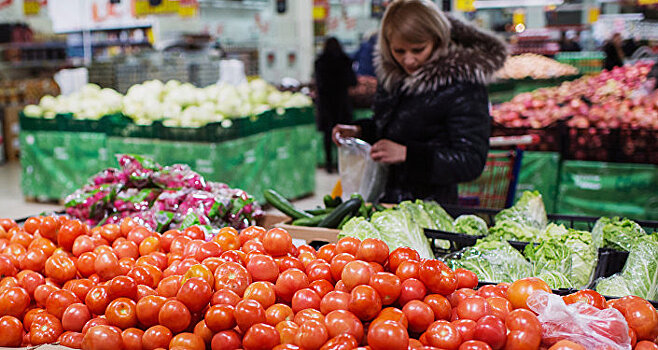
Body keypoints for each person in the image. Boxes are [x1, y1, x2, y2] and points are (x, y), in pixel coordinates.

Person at [332, 0, 507, 204]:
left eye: (418, 50)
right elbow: (398, 127)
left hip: (432, 210)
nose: (408, 60)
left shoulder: (462, 84)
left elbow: (470, 161)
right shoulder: (394, 77)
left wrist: (409, 155)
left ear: (437, 40)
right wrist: (360, 131)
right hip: (388, 202)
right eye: (399, 51)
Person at [315, 37, 358, 173]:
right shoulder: (345, 60)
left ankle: (328, 164)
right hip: (342, 103)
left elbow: (319, 84)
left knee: (328, 136)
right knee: (344, 136)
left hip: (326, 104)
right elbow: (353, 81)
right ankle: (343, 164)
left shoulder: (320, 62)